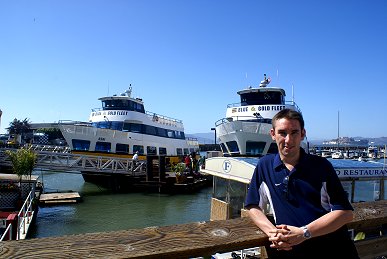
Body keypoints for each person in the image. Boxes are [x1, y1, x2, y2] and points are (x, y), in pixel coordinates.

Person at [245, 109, 359, 258]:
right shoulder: (264, 166)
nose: (288, 140)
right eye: (282, 133)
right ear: (273, 134)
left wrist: (304, 232)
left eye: (294, 133)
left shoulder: (321, 166)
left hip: (333, 249)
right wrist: (272, 233)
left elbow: (345, 213)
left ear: (303, 134)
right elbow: (253, 206)